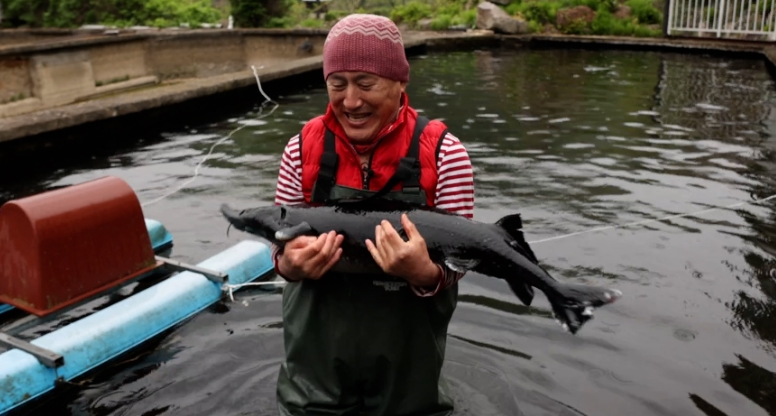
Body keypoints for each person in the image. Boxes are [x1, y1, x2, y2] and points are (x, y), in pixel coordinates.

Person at [270, 13, 475, 416]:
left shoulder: (445, 154)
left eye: (366, 83)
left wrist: (425, 274)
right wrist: (291, 265)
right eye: (337, 84)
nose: (351, 101)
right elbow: (278, 250)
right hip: (316, 364)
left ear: (401, 82)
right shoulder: (300, 149)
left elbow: (461, 259)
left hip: (407, 368)